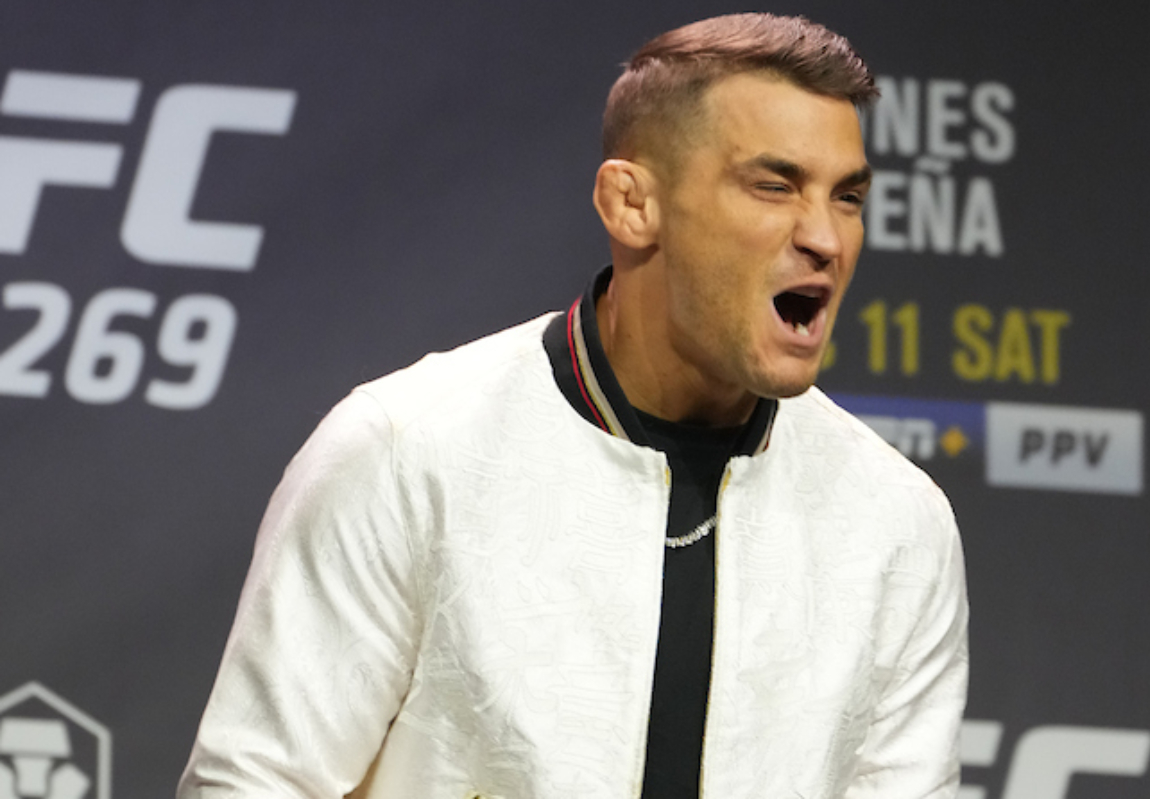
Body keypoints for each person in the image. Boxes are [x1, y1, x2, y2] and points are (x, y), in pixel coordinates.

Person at [179, 12, 968, 799]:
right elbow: (250, 783)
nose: (826, 237)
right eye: (774, 186)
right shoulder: (408, 452)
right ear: (632, 204)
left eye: (848, 197)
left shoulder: (897, 523)